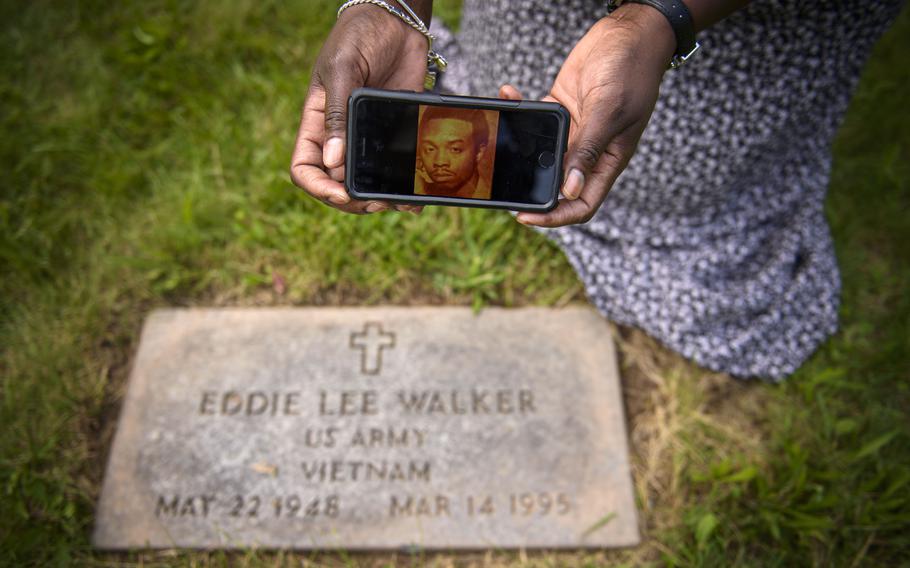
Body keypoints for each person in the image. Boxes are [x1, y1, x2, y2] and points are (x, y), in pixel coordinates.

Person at [290, 0, 903, 380]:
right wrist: (393, 2)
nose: (448, 156)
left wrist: (664, 18)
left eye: (457, 148)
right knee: (535, 111)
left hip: (752, 33)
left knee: (664, 176)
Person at [415, 106, 493, 199]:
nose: (440, 162)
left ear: (479, 152)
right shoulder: (418, 192)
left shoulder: (493, 198)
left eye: (455, 149)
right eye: (430, 149)